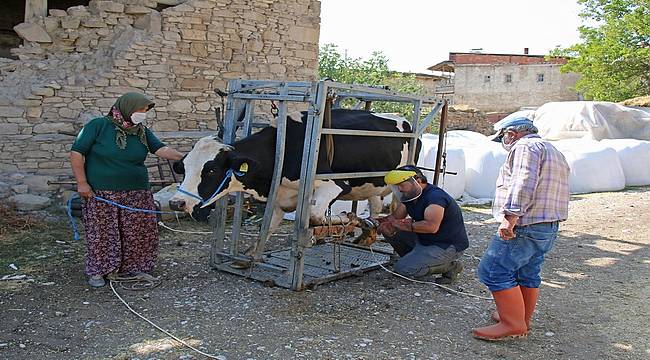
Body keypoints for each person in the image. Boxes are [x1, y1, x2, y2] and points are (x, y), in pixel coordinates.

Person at [70, 92, 184, 288]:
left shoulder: (141, 131)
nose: (143, 114)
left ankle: (135, 268)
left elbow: (160, 149)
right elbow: (77, 152)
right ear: (126, 108)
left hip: (137, 192)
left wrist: (187, 157)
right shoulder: (98, 126)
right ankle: (99, 271)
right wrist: (82, 183)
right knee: (103, 233)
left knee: (137, 231)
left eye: (145, 111)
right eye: (140, 110)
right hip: (102, 193)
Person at [472, 117, 570, 341]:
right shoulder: (552, 149)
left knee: (493, 270)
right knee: (527, 272)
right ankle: (521, 318)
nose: (504, 142)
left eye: (503, 137)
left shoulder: (525, 147)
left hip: (526, 223)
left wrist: (510, 218)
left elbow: (523, 182)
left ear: (512, 133)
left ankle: (512, 323)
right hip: (548, 224)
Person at [378, 165, 469, 284]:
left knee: (402, 269)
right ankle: (416, 260)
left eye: (401, 185)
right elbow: (395, 217)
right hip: (425, 239)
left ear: (418, 181)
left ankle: (451, 266)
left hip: (445, 245)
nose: (399, 189)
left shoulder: (435, 198)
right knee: (388, 229)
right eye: (397, 186)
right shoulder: (410, 195)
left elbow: (431, 227)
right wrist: (379, 222)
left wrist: (404, 226)